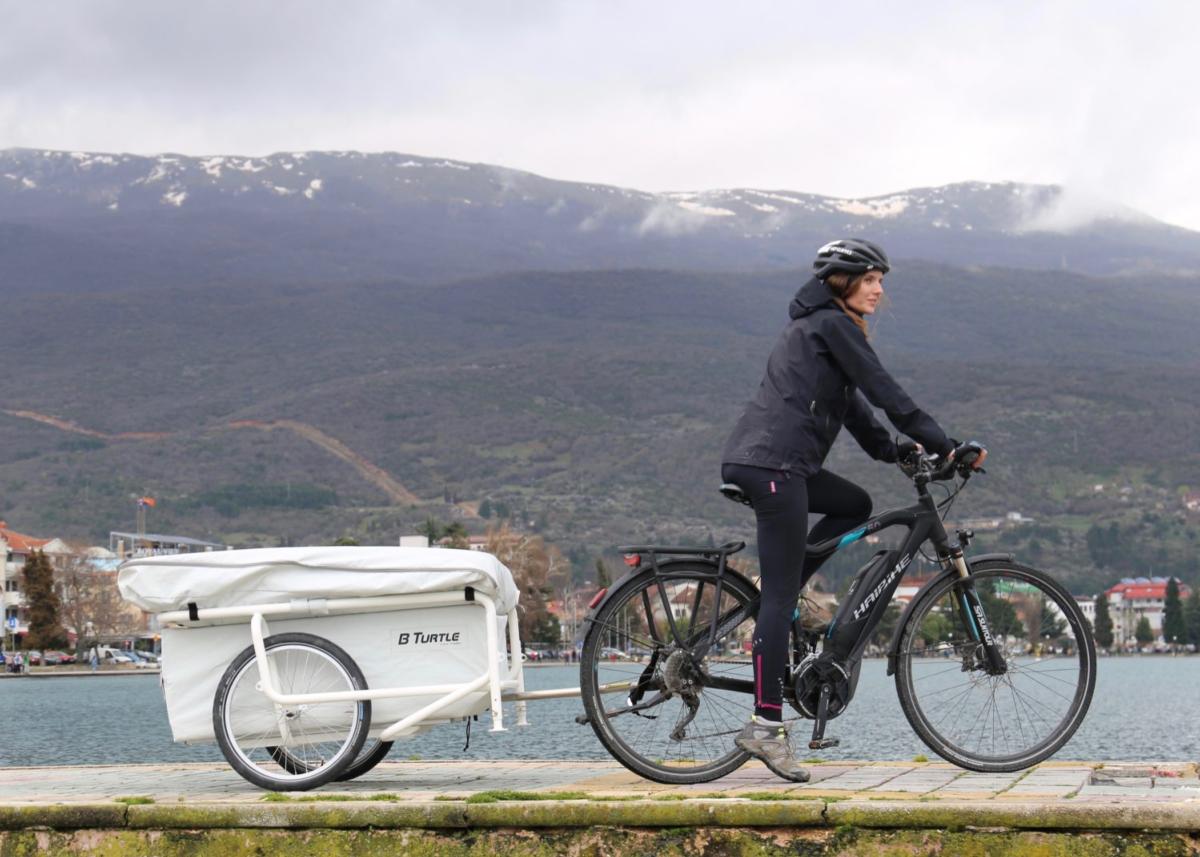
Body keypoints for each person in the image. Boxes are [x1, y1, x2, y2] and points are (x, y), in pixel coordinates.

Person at [720, 238, 983, 782]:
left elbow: (857, 408)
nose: (879, 289)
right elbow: (886, 391)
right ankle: (765, 728)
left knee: (854, 504)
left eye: (881, 280)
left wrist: (897, 450)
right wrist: (944, 444)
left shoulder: (821, 329)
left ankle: (790, 595)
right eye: (870, 279)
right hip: (776, 468)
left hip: (780, 464)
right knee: (778, 593)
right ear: (842, 282)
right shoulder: (830, 324)